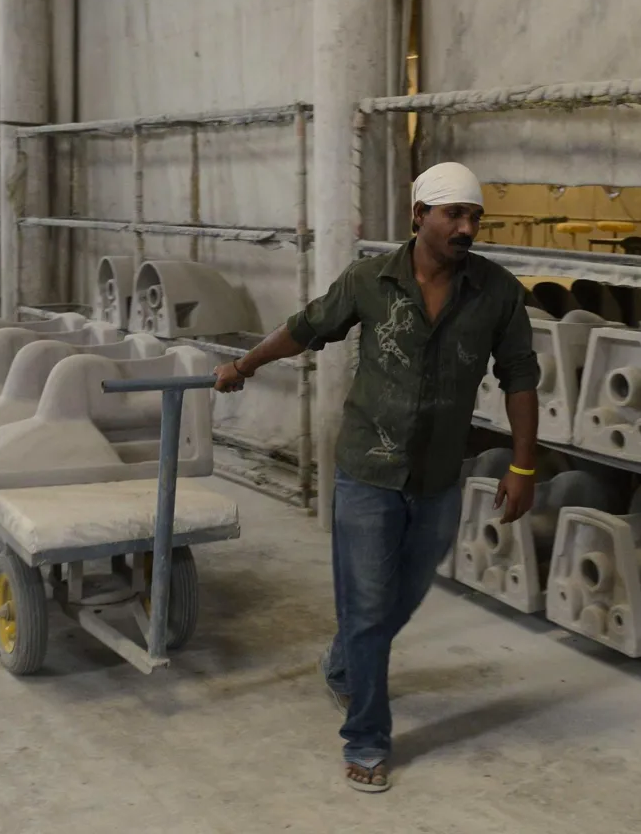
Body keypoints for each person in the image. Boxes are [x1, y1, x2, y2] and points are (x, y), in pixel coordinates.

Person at [214, 161, 540, 793]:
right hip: (368, 470)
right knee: (367, 607)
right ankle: (367, 737)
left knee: (400, 599)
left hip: (440, 475)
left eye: (475, 218)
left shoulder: (498, 292)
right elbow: (306, 328)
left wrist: (524, 464)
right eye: (454, 215)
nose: (467, 228)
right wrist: (244, 365)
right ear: (419, 216)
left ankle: (343, 664)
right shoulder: (369, 281)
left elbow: (520, 376)